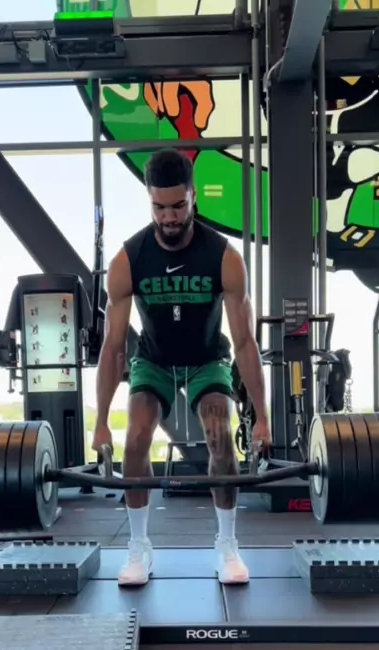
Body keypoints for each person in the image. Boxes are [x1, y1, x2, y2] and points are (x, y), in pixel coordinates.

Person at [92, 148, 271, 586]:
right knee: (136, 437)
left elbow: (244, 342)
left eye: (178, 206)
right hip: (153, 360)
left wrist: (263, 417)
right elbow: (113, 347)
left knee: (220, 436)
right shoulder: (127, 261)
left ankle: (227, 544)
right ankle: (139, 546)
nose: (169, 217)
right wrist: (100, 422)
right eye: (160, 207)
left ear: (194, 197)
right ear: (149, 201)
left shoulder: (225, 258)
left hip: (206, 359)